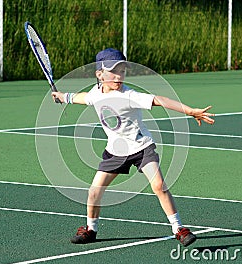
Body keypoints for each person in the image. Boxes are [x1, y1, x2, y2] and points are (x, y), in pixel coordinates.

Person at [51, 48, 215, 247]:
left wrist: (190, 111)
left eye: (122, 71)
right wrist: (63, 97)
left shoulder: (130, 95)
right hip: (115, 151)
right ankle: (91, 230)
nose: (118, 76)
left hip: (141, 147)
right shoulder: (96, 94)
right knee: (94, 192)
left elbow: (159, 100)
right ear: (99, 74)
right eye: (113, 71)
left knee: (159, 186)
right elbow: (83, 97)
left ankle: (178, 229)